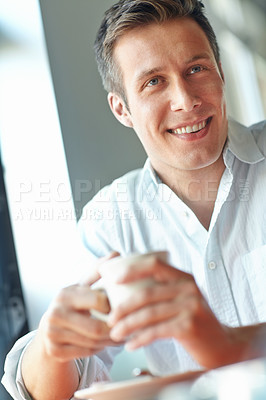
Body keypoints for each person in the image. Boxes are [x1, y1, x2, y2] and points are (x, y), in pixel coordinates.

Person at [2, 0, 266, 399]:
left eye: (196, 69)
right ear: (121, 108)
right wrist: (53, 348)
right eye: (154, 82)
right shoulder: (110, 222)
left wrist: (230, 345)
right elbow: (45, 390)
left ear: (221, 72)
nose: (185, 100)